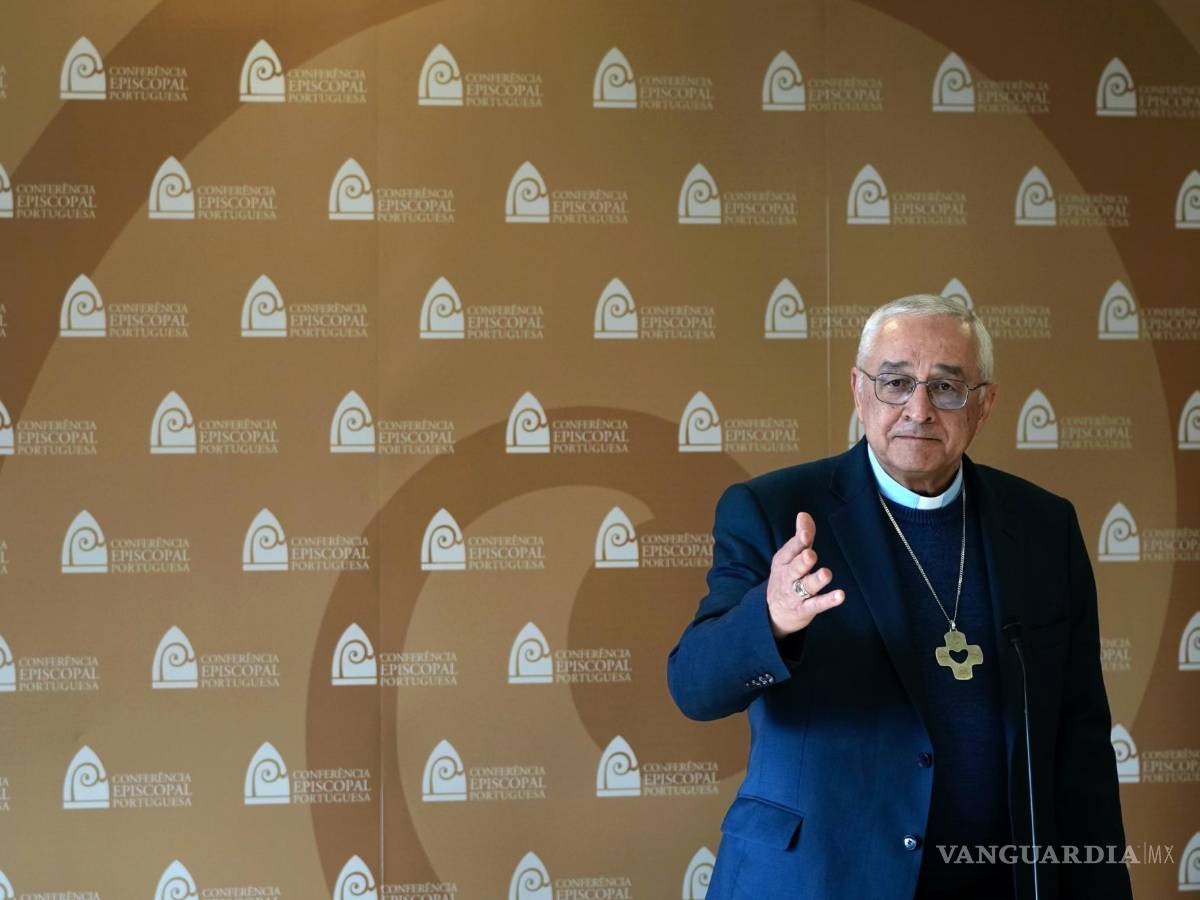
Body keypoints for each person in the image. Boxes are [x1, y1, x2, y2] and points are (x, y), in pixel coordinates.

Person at [667, 295, 1131, 900]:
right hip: (820, 878)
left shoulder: (1043, 527)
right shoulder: (775, 510)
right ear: (860, 392)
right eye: (896, 383)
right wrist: (772, 618)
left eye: (946, 387)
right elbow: (694, 686)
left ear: (984, 404)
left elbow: (1081, 740)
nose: (919, 409)